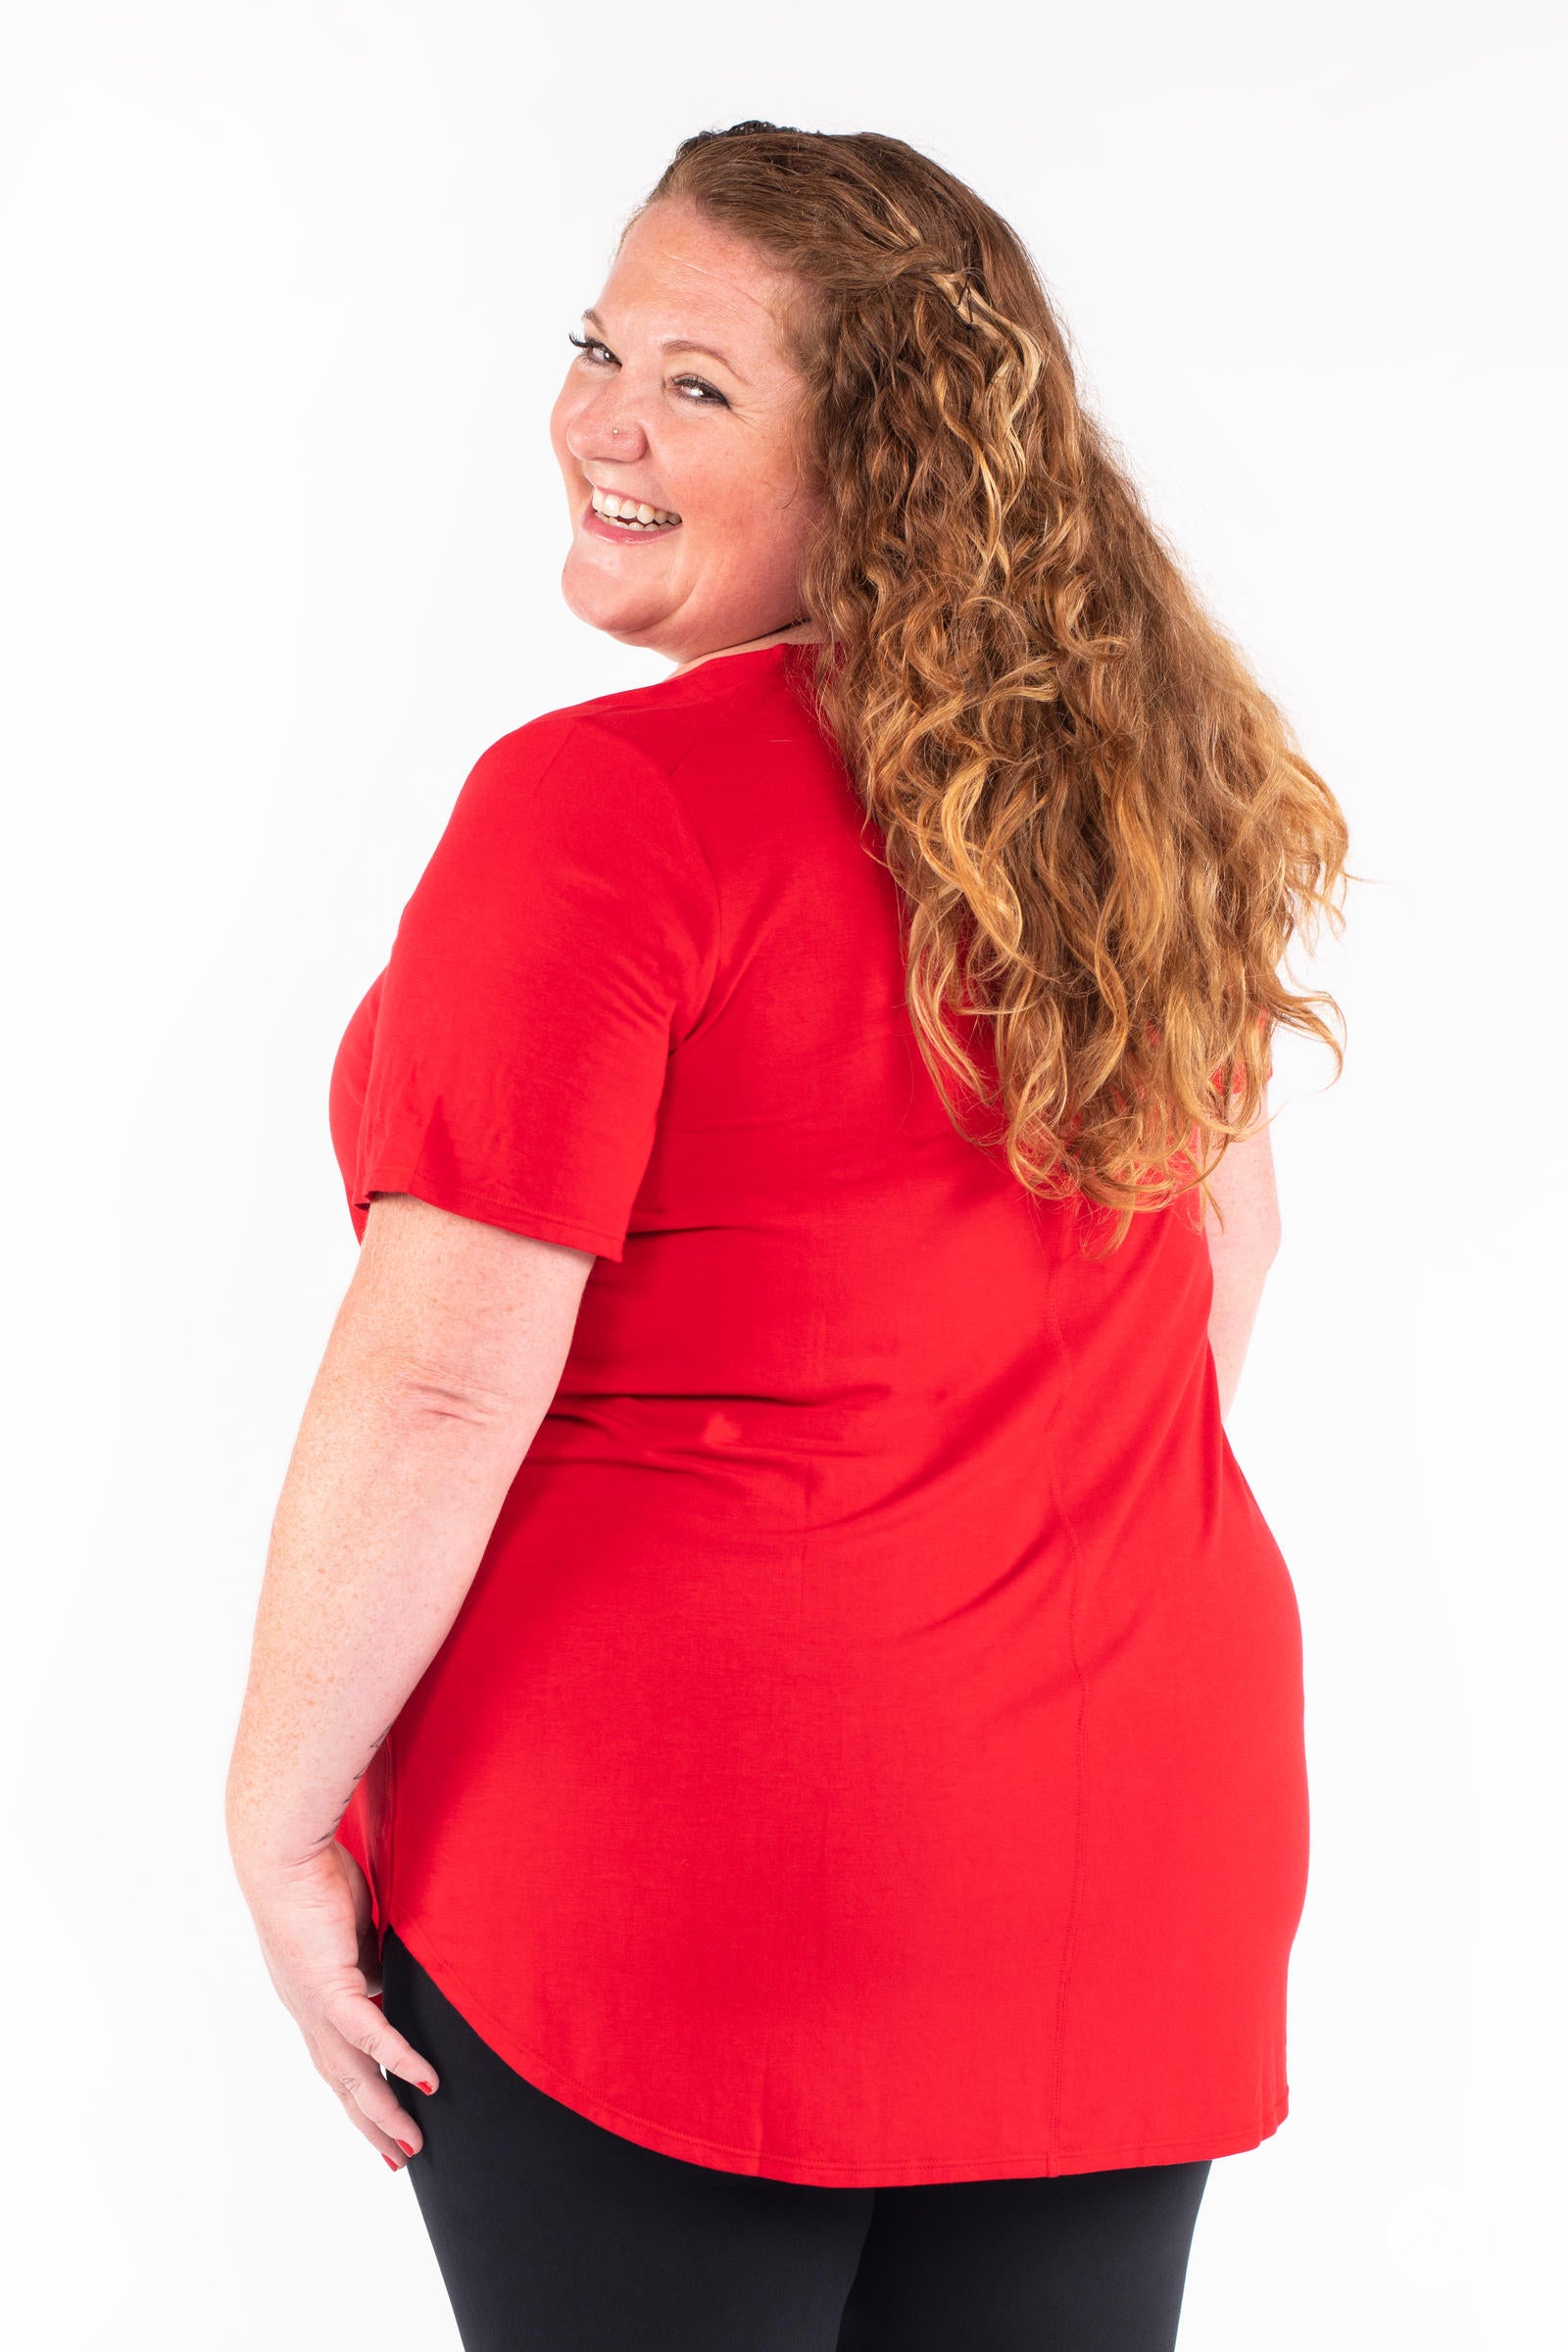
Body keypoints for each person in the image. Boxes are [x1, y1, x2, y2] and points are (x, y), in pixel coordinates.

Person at [225, 122, 1348, 2351]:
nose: (600, 423)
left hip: (684, 1873)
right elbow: (1223, 1260)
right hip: (1124, 1836)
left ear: (881, 462)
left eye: (697, 384)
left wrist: (276, 1814)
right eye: (596, 347)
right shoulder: (1132, 811)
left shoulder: (606, 807)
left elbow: (441, 1376)